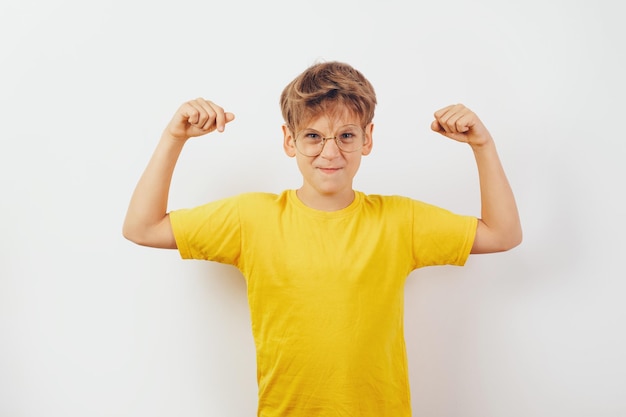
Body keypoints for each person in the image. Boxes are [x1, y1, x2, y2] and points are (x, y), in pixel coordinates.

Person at [123, 60, 522, 417]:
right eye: (313, 136)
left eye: (346, 136)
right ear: (289, 140)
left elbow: (502, 234)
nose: (330, 152)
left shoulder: (401, 220)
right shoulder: (252, 218)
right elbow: (142, 228)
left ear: (367, 139)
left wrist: (482, 145)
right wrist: (174, 137)